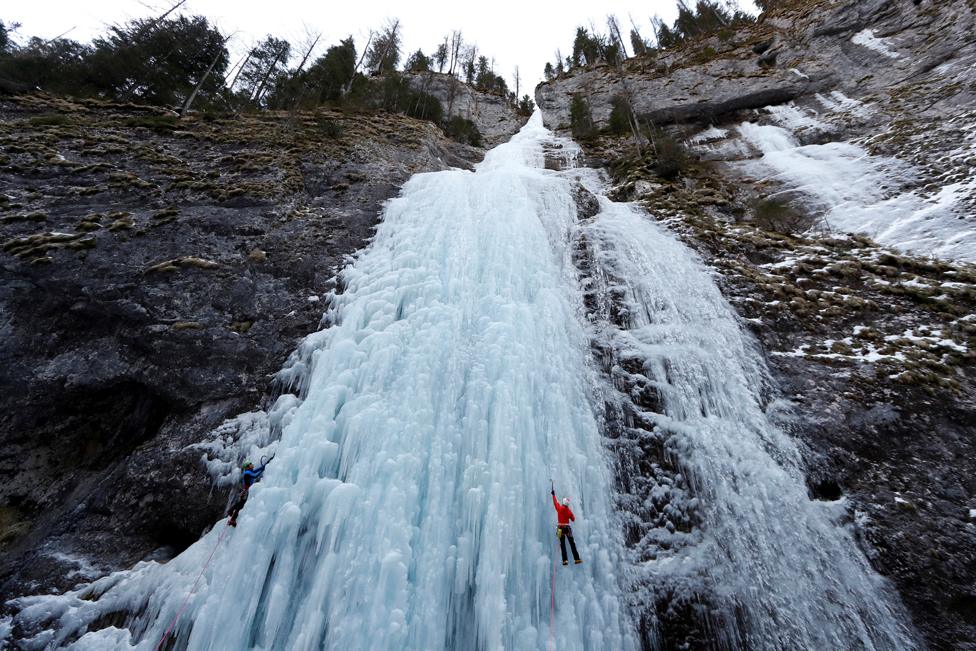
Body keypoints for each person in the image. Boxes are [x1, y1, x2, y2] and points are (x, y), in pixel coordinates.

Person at [228, 457, 271, 527]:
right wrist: (263, 469)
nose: (252, 464)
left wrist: (266, 464)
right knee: (241, 505)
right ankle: (232, 519)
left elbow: (258, 469)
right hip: (246, 491)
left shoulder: (249, 471)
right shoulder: (248, 473)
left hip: (245, 490)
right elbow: (255, 475)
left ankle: (230, 510)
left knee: (240, 503)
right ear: (248, 467)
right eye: (250, 464)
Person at [551, 488, 582, 565]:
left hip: (559, 528)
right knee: (572, 543)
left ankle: (565, 560)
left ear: (563, 503)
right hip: (567, 528)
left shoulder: (559, 508)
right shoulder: (569, 511)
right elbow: (573, 519)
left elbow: (555, 503)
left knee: (562, 544)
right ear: (567, 504)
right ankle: (577, 559)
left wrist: (553, 495)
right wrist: (570, 515)